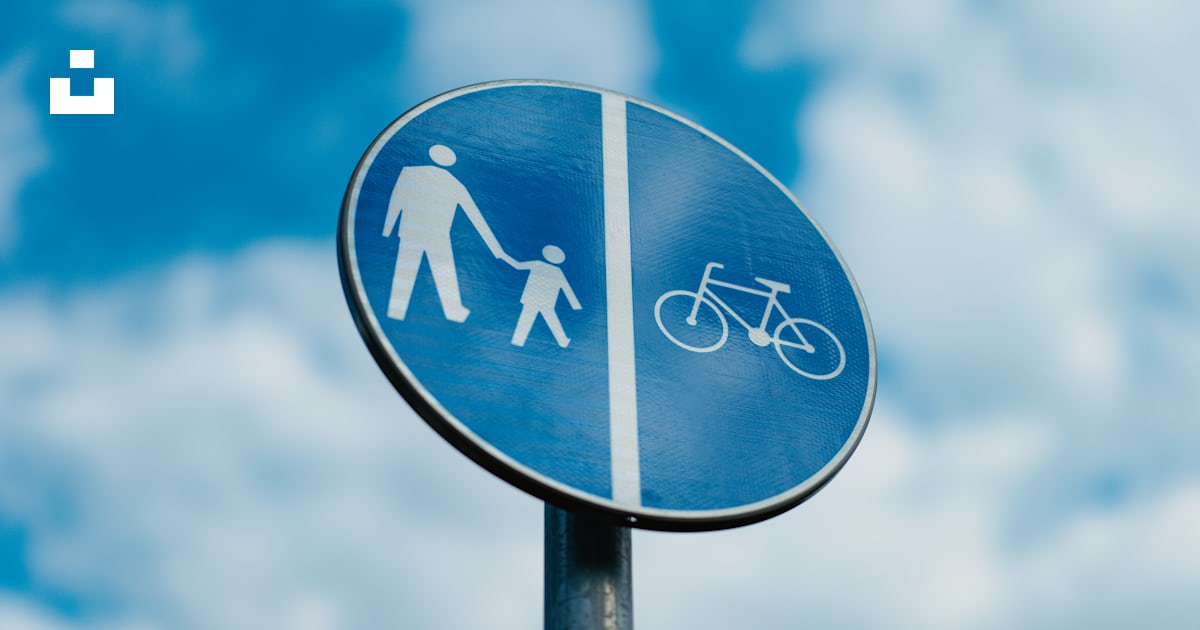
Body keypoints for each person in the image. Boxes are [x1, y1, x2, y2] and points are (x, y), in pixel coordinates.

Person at [382, 144, 511, 322]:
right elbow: (477, 219)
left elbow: (396, 200)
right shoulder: (454, 184)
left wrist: (388, 228)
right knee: (442, 271)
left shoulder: (412, 172)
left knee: (412, 269)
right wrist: (497, 250)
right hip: (435, 235)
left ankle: (399, 307)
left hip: (415, 232)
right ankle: (451, 310)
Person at [510, 245, 582, 348]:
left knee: (526, 319)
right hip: (546, 301)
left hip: (532, 298)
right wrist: (575, 305)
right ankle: (563, 341)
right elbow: (567, 289)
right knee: (552, 321)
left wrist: (504, 256)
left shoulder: (537, 264)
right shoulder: (557, 271)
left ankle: (518, 340)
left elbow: (517, 265)